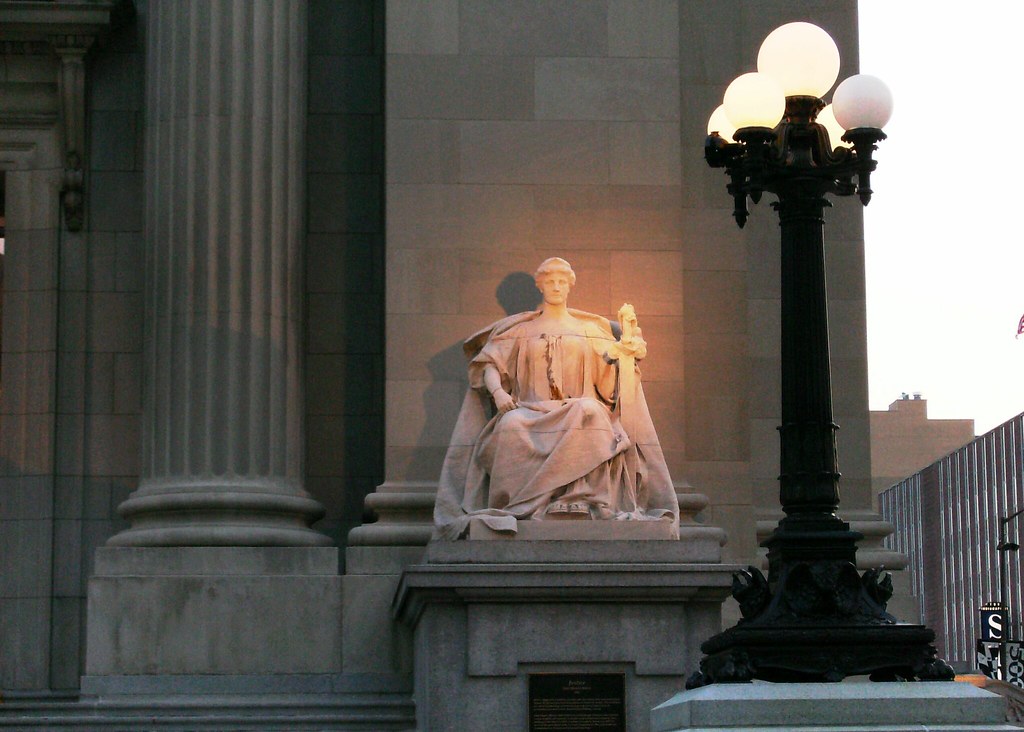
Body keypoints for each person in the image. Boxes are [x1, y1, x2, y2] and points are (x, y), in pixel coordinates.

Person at [434, 257, 679, 539]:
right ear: (541, 286)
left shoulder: (590, 331)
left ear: (569, 286)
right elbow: (489, 365)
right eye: (550, 281)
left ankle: (579, 498)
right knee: (511, 425)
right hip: (528, 409)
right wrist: (499, 393)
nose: (556, 287)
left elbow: (609, 385)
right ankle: (522, 505)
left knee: (590, 411)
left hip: (579, 406)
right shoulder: (520, 330)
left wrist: (625, 355)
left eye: (562, 281)